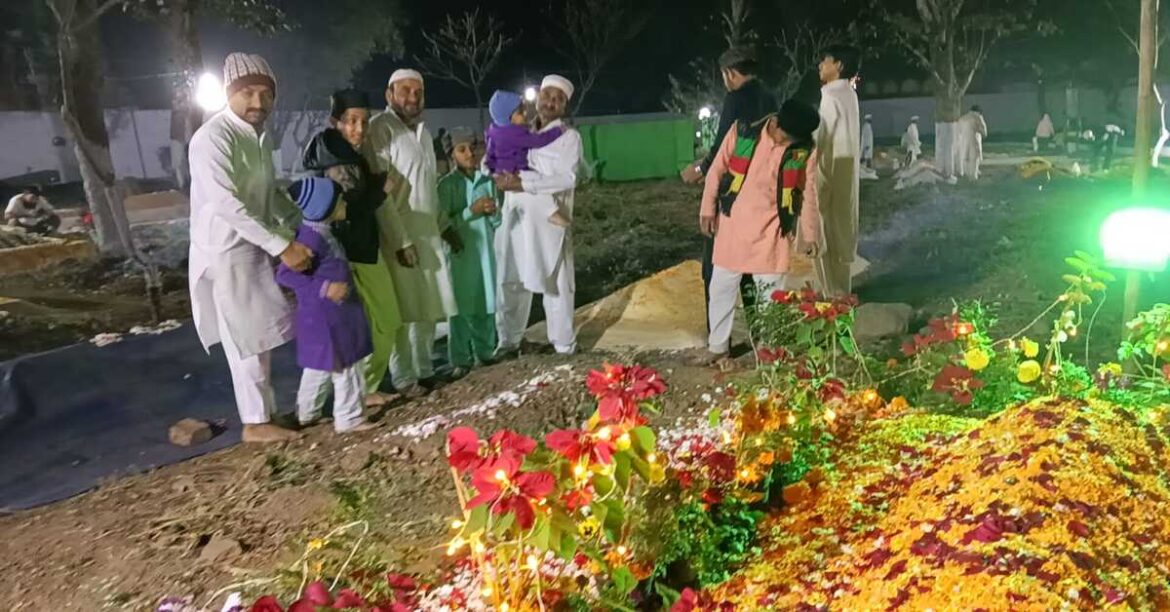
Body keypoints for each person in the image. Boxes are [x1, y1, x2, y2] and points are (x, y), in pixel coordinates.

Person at [188, 52, 307, 443]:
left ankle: (265, 415)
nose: (257, 103)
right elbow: (227, 205)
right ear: (228, 93)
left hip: (252, 243)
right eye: (247, 93)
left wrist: (295, 224)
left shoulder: (258, 135)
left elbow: (265, 193)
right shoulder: (211, 139)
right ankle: (255, 423)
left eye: (265, 94)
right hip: (225, 251)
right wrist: (281, 246)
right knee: (246, 337)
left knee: (260, 335)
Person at [692, 100, 823, 366]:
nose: (787, 144)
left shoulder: (804, 149)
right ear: (773, 123)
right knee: (721, 289)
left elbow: (808, 191)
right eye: (785, 138)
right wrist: (707, 209)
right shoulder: (743, 132)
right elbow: (716, 171)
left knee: (771, 297)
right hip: (733, 226)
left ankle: (768, 350)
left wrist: (809, 233)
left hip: (772, 232)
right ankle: (718, 346)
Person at [301, 89, 403, 407]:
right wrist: (380, 190)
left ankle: (335, 401)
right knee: (377, 323)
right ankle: (345, 399)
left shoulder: (343, 155)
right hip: (351, 255)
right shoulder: (336, 160)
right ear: (335, 122)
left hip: (354, 253)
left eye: (364, 121)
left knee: (366, 326)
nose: (359, 129)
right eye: (351, 121)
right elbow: (343, 211)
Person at [365, 69, 460, 398]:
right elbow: (381, 194)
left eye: (418, 92)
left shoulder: (421, 131)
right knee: (404, 311)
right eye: (404, 90)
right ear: (389, 95)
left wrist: (445, 226)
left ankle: (424, 370)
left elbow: (427, 187)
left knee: (427, 307)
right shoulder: (379, 129)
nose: (412, 97)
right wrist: (401, 240)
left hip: (427, 232)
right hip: (398, 236)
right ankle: (404, 378)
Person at [679, 47, 778, 326]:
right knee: (752, 267)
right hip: (763, 193)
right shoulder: (771, 97)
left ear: (730, 74)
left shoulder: (736, 99)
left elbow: (726, 146)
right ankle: (760, 335)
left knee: (716, 269)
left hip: (732, 193)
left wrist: (699, 169)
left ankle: (719, 339)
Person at [277, 177, 379, 434]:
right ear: (325, 206)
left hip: (325, 314)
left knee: (319, 364)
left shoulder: (319, 232)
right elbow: (285, 274)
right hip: (329, 315)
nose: (344, 201)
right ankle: (349, 417)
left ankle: (306, 413)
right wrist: (325, 288)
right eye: (339, 198)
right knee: (346, 363)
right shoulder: (311, 239)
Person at [492, 75, 583, 357]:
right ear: (538, 98)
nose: (551, 102)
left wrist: (524, 184)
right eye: (547, 95)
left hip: (551, 226)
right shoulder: (519, 131)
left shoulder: (569, 138)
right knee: (512, 280)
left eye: (558, 98)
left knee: (557, 285)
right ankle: (509, 341)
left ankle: (563, 345)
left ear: (565, 106)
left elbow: (567, 178)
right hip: (518, 220)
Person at [439, 129, 501, 377]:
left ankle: (485, 354)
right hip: (461, 254)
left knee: (486, 302)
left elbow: (496, 222)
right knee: (461, 307)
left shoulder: (486, 182)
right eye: (462, 149)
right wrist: (471, 211)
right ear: (452, 154)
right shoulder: (446, 186)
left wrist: (493, 212)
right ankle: (461, 360)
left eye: (472, 147)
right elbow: (442, 223)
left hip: (485, 252)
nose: (469, 153)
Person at [814, 44, 862, 297]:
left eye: (825, 61)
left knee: (823, 228)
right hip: (847, 169)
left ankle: (830, 294)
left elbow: (822, 137)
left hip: (830, 170)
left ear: (839, 65)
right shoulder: (850, 94)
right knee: (843, 226)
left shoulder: (831, 95)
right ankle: (843, 291)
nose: (820, 65)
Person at [484, 90, 569, 228]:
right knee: (538, 183)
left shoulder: (494, 130)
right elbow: (539, 140)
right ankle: (552, 212)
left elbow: (490, 153)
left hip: (502, 172)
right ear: (508, 118)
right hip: (516, 171)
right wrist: (558, 131)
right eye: (520, 113)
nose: (525, 114)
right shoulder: (514, 134)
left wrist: (492, 170)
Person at [956, 105, 989, 180]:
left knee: (965, 161)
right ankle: (973, 179)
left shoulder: (962, 118)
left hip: (963, 144)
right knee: (974, 162)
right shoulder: (978, 117)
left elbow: (958, 133)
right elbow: (984, 133)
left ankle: (966, 177)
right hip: (974, 143)